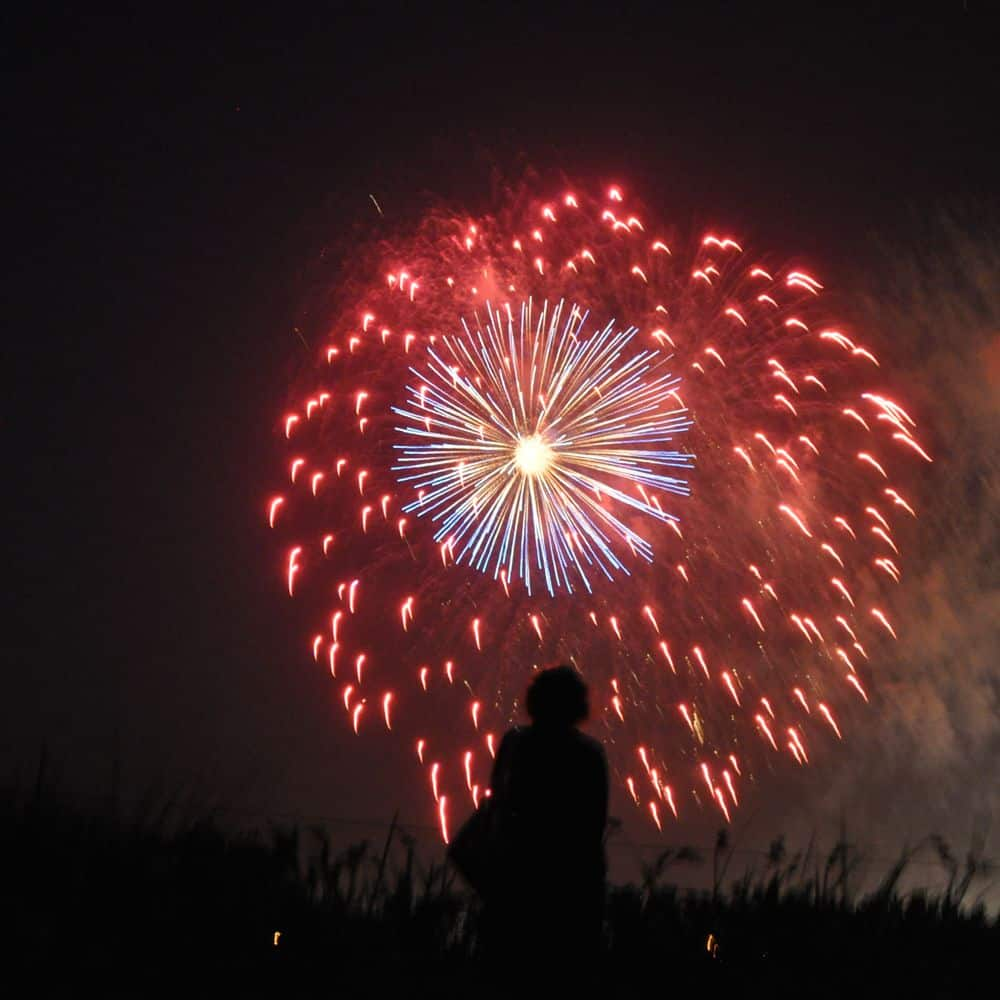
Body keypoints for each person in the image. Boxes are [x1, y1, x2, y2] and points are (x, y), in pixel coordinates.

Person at [480, 664, 609, 980]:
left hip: (515, 882)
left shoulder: (514, 744)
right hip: (571, 889)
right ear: (578, 706)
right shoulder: (589, 754)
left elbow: (497, 801)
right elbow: (593, 824)